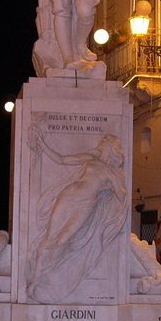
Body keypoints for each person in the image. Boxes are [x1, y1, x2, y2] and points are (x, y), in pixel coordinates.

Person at [26, 126, 127, 303]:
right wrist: (42, 143)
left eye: (105, 142)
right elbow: (62, 159)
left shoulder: (111, 173)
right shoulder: (91, 159)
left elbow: (122, 195)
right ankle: (34, 280)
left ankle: (48, 276)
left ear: (111, 148)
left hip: (86, 205)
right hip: (69, 195)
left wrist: (114, 183)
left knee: (63, 240)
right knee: (49, 238)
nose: (101, 143)